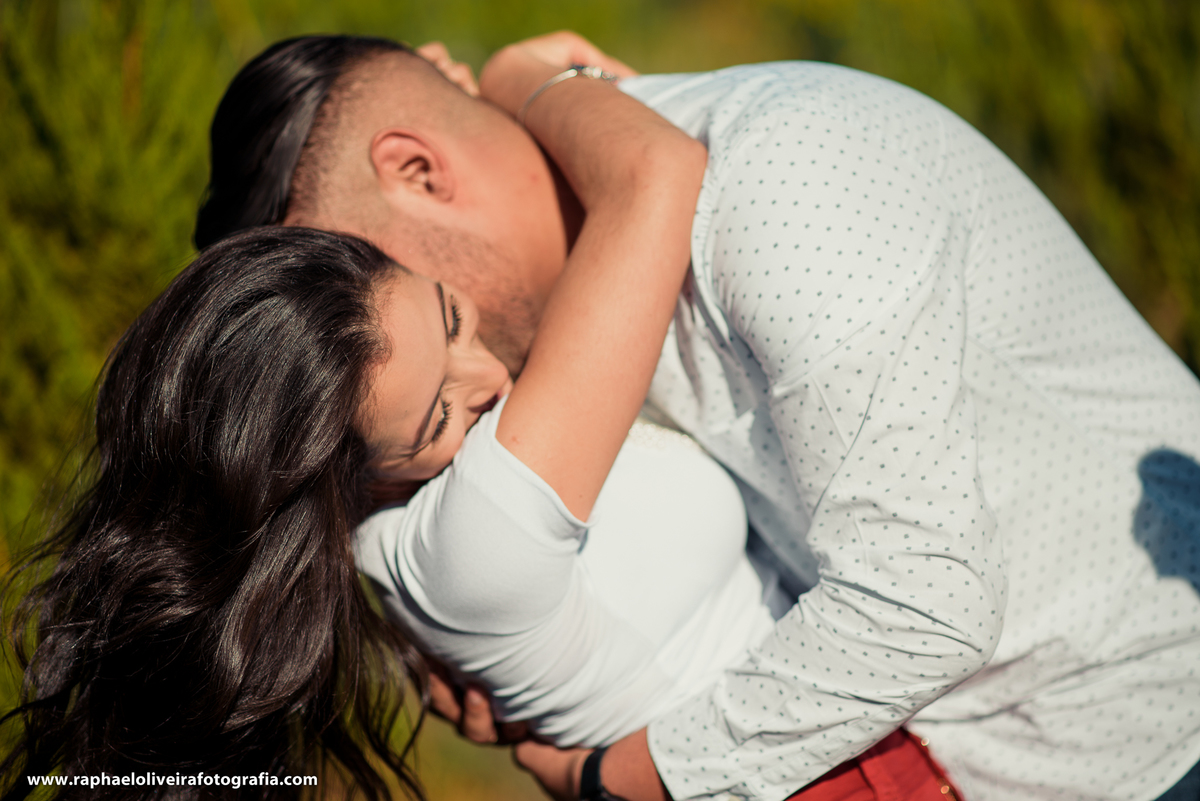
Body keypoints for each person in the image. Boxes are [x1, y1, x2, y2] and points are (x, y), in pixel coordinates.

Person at [194, 32, 1200, 801]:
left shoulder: (786, 193)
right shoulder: (511, 346)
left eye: (354, 277)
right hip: (962, 753)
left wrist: (614, 777)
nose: (359, 354)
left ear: (418, 171)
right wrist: (451, 648)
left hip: (1140, 729)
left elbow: (929, 603)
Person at [0, 51, 706, 799]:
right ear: (355, 479)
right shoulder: (486, 530)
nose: (494, 378)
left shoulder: (402, 525)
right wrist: (519, 69)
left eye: (453, 318)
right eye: (439, 414)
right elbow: (656, 174)